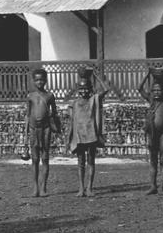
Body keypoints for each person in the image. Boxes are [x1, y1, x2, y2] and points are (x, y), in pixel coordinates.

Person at [65, 68, 105, 198]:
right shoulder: (75, 104)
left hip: (91, 134)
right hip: (79, 136)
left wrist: (95, 76)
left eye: (86, 88)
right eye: (81, 88)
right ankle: (81, 188)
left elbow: (105, 89)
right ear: (77, 90)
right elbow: (72, 122)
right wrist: (69, 138)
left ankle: (89, 188)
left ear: (91, 88)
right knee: (80, 162)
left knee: (91, 161)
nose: (83, 91)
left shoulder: (94, 99)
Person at [138, 69, 163, 195]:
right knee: (153, 161)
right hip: (152, 135)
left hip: (162, 135)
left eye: (159, 90)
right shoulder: (151, 101)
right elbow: (139, 88)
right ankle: (153, 186)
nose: (156, 92)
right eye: (154, 90)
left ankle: (162, 187)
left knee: (162, 160)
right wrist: (148, 74)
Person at [22, 68, 61, 197]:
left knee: (45, 158)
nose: (40, 82)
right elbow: (28, 115)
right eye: (37, 80)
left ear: (45, 80)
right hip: (34, 128)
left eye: (42, 79)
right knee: (34, 159)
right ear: (33, 81)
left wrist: (58, 129)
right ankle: (35, 188)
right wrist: (25, 133)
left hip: (46, 129)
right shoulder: (30, 96)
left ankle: (43, 188)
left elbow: (54, 113)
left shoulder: (49, 96)